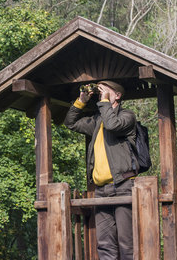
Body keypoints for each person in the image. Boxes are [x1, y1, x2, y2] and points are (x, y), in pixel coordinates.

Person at [64, 80, 137, 260]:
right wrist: (81, 101)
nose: (101, 94)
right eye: (100, 92)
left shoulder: (128, 116)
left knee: (127, 244)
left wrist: (104, 101)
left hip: (123, 186)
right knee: (105, 245)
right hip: (101, 191)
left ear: (118, 96)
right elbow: (70, 123)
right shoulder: (98, 121)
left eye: (106, 91)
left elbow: (113, 124)